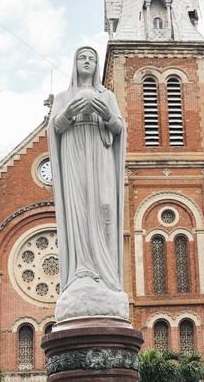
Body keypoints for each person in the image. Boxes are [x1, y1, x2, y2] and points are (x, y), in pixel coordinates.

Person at [48, 45, 128, 320]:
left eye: (92, 58)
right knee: (79, 212)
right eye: (81, 57)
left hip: (101, 156)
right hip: (74, 156)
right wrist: (69, 112)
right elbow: (55, 128)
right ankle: (82, 269)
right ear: (74, 63)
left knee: (104, 207)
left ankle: (105, 276)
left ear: (97, 66)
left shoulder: (108, 96)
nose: (87, 61)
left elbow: (119, 128)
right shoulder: (62, 97)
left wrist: (105, 114)